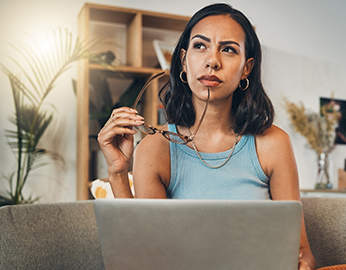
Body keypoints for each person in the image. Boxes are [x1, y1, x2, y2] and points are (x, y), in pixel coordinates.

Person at [97, 3, 317, 269]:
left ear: (247, 68)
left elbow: (302, 251)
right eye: (200, 46)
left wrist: (302, 264)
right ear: (183, 60)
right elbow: (148, 255)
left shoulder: (273, 144)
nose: (213, 60)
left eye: (228, 49)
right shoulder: (155, 148)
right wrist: (118, 173)